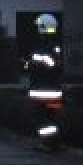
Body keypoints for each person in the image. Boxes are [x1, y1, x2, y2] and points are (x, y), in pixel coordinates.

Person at [25, 12, 64, 151]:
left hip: (40, 93)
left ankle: (47, 143)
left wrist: (29, 64)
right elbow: (57, 67)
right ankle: (54, 142)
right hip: (55, 91)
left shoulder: (39, 48)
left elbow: (35, 66)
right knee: (54, 118)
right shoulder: (57, 47)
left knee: (43, 119)